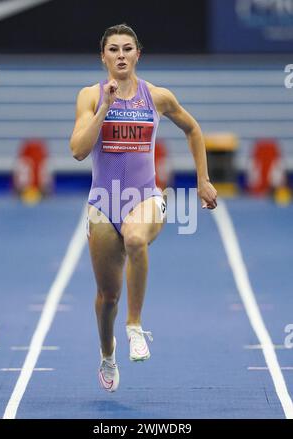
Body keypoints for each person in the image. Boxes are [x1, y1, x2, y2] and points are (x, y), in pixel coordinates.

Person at [70, 23, 217, 393]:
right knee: (107, 299)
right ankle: (108, 353)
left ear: (138, 54)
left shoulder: (157, 97)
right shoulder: (89, 96)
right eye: (114, 49)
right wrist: (105, 105)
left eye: (128, 49)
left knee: (136, 239)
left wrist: (202, 179)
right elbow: (78, 150)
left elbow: (193, 129)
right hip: (104, 203)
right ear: (102, 56)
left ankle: (135, 327)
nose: (121, 55)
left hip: (146, 198)